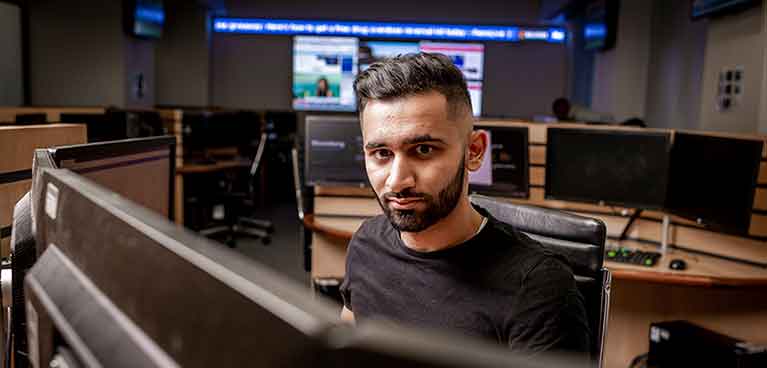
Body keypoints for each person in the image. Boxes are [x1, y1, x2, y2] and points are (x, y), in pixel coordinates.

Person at [341, 53, 591, 355]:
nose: (396, 181)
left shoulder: (538, 288)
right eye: (381, 153)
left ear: (474, 151)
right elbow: (348, 337)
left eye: (423, 149)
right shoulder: (366, 243)